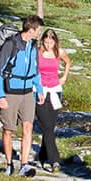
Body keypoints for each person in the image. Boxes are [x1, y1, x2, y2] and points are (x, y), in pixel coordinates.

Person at [0, 14, 44, 176]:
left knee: (28, 127)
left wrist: (40, 89)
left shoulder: (33, 46)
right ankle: (8, 165)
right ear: (31, 29)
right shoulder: (11, 45)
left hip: (28, 92)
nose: (39, 33)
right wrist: (1, 95)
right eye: (38, 30)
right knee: (8, 129)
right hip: (10, 92)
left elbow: (35, 70)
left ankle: (24, 165)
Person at [36, 27, 71, 171]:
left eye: (50, 42)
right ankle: (55, 160)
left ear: (55, 42)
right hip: (40, 91)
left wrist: (64, 77)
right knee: (46, 126)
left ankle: (43, 157)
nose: (48, 45)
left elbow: (68, 63)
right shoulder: (37, 52)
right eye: (45, 42)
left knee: (49, 126)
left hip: (55, 91)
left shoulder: (59, 52)